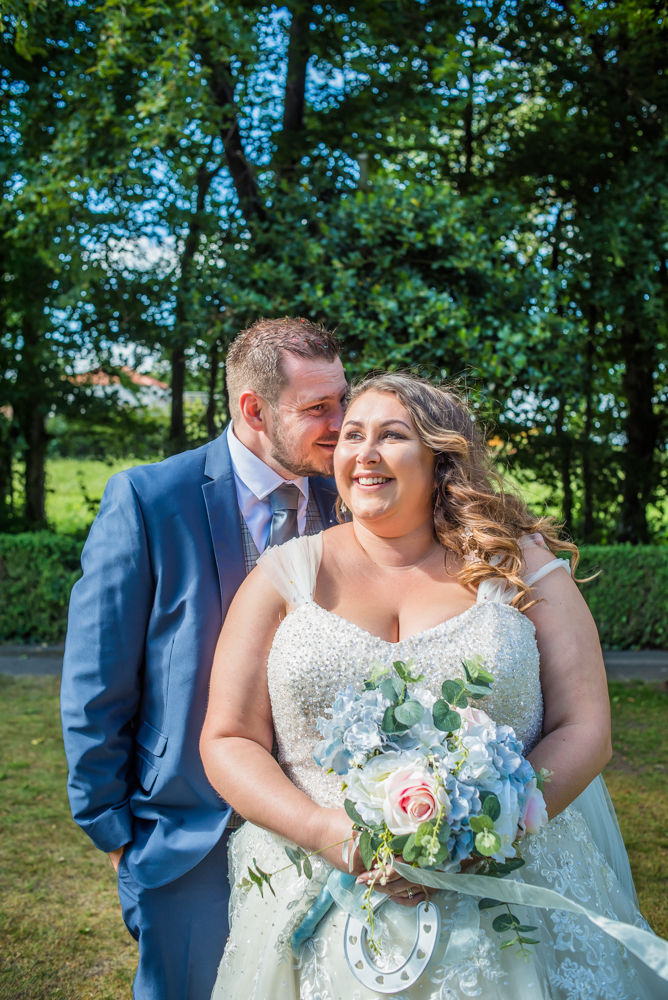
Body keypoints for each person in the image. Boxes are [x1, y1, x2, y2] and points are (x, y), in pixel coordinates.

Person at [200, 372, 666, 999]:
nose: (363, 453)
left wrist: (494, 830)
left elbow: (586, 728)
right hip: (320, 885)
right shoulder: (285, 577)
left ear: (440, 458)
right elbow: (229, 737)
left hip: (510, 890)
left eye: (391, 436)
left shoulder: (520, 567)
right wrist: (323, 831)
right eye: (352, 436)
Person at [60, 316, 347, 1000]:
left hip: (335, 825)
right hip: (192, 830)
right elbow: (97, 681)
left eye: (343, 397)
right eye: (319, 408)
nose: (342, 421)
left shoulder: (353, 498)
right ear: (253, 409)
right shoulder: (149, 499)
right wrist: (115, 834)